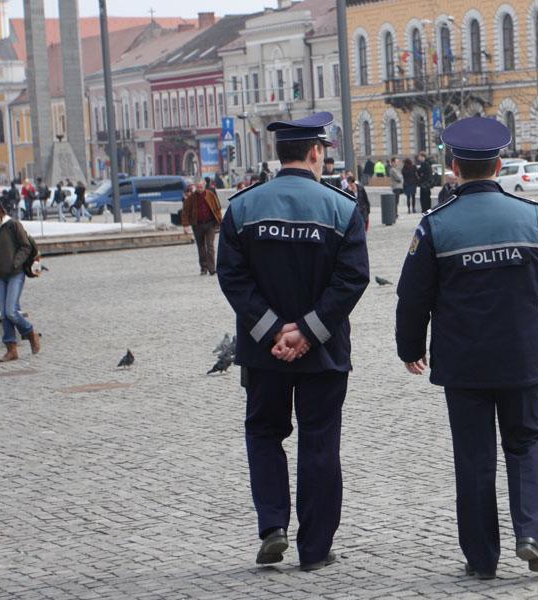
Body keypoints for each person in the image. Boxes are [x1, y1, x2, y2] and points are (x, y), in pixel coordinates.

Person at [395, 117, 538, 579]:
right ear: (499, 165)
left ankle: (481, 559)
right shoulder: (532, 217)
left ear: (455, 167)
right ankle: (531, 533)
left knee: (474, 458)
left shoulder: (435, 226)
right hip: (520, 358)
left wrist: (410, 347)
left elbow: (412, 295)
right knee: (527, 443)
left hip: (464, 365)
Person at [217, 111, 369, 571]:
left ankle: (273, 526)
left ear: (277, 154)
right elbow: (352, 279)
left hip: (263, 354)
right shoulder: (342, 208)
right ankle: (316, 548)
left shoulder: (242, 208)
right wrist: (307, 331)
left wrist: (270, 330)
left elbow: (232, 277)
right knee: (319, 443)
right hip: (322, 351)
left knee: (264, 434)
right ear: (316, 152)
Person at [0, 199, 42, 362]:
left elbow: (26, 246)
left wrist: (16, 262)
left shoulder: (12, 225)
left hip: (16, 273)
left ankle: (30, 332)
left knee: (11, 311)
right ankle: (11, 349)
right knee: (4, 314)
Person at [182, 179, 222, 275]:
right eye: (198, 187)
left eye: (201, 187)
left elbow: (217, 208)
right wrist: (185, 225)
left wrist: (220, 221)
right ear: (196, 186)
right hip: (197, 225)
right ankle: (204, 268)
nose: (200, 189)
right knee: (201, 247)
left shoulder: (210, 195)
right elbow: (185, 212)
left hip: (210, 224)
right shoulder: (191, 198)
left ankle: (212, 268)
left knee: (210, 246)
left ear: (204, 186)